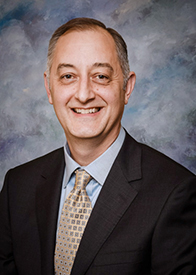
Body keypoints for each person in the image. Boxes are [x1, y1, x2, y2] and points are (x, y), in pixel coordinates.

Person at [0, 17, 196, 275]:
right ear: (49, 88)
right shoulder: (18, 186)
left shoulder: (176, 193)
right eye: (68, 76)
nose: (83, 94)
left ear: (127, 87)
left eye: (101, 76)